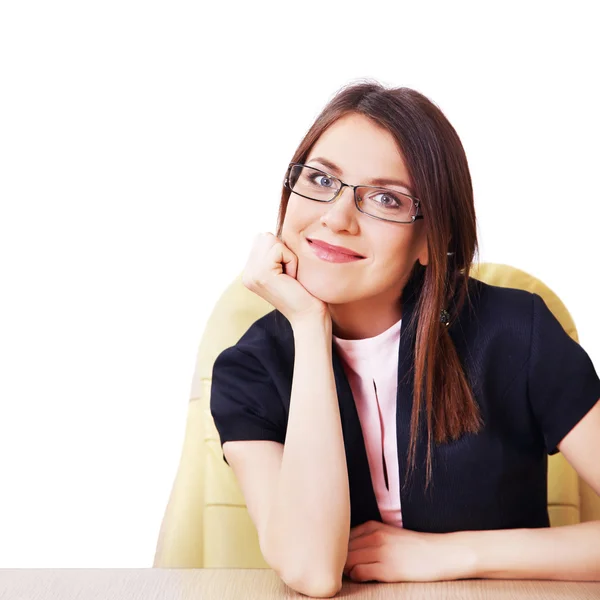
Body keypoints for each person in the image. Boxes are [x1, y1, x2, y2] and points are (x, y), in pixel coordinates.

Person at [209, 81, 600, 598]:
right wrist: (308, 326)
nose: (336, 217)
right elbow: (311, 571)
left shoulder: (515, 332)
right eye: (321, 179)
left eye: (386, 198)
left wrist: (454, 554)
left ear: (430, 241)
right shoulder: (250, 369)